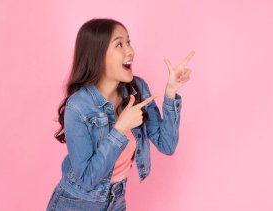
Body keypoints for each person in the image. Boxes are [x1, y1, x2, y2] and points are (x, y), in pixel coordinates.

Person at [46, 18, 194, 211]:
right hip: (76, 203)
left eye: (129, 42)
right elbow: (86, 179)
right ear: (98, 55)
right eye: (119, 44)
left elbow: (167, 145)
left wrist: (171, 93)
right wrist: (120, 129)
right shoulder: (79, 106)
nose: (130, 51)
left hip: (116, 200)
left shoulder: (137, 89)